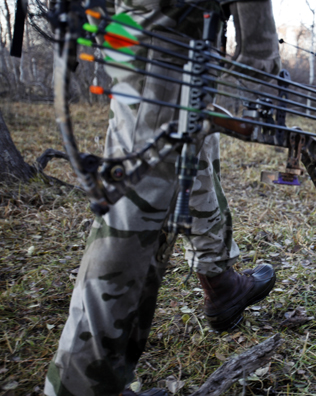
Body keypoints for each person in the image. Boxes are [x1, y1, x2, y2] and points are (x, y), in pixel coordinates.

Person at [44, 0, 281, 395]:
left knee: (192, 148)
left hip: (173, 32)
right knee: (134, 212)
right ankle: (80, 385)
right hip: (166, 31)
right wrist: (260, 56)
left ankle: (219, 280)